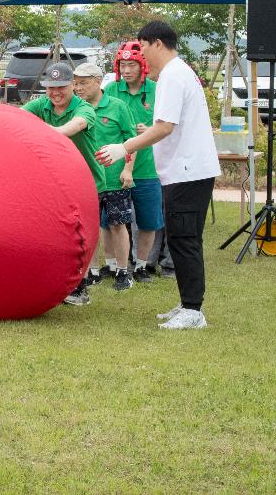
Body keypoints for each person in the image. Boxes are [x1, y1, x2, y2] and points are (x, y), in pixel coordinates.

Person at [97, 20, 220, 330]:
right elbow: (162, 125)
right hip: (186, 171)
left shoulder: (172, 77)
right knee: (181, 238)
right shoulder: (177, 73)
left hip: (188, 171)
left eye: (143, 48)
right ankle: (187, 304)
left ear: (157, 44)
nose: (141, 58)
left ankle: (193, 311)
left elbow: (165, 127)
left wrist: (121, 147)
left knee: (185, 239)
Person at [22, 62, 104, 306]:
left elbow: (73, 127)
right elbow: (16, 118)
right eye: (50, 88)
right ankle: (54, 283)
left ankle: (81, 287)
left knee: (82, 236)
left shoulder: (85, 109)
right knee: (54, 234)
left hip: (87, 181)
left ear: (72, 86)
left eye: (61, 87)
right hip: (55, 182)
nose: (55, 93)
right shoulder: (42, 104)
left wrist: (48, 131)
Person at [105, 40, 167, 283]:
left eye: (132, 65)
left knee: (148, 220)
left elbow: (168, 123)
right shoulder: (110, 90)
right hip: (115, 168)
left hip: (149, 168)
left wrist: (151, 129)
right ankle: (114, 265)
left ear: (143, 66)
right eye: (123, 65)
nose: (127, 70)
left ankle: (141, 265)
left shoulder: (156, 90)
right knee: (112, 220)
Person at [73, 63, 138, 291]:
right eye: (76, 83)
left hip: (114, 178)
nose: (78, 88)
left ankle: (122, 271)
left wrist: (127, 170)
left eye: (83, 83)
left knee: (118, 224)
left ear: (98, 81)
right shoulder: (76, 108)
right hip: (86, 180)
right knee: (89, 227)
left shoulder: (117, 107)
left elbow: (132, 141)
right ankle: (92, 271)